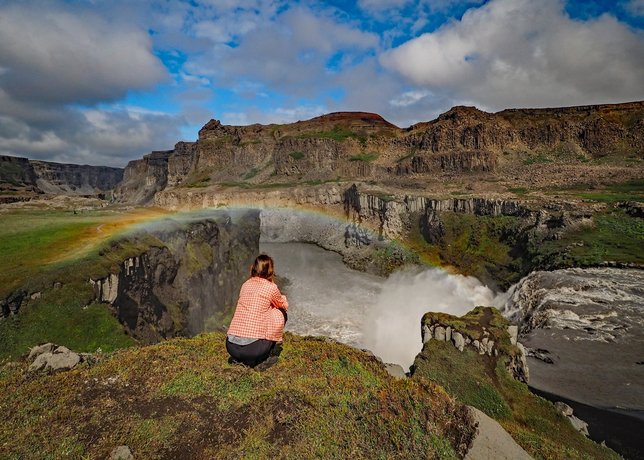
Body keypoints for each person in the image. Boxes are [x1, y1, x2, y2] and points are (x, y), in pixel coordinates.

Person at [226, 254, 288, 367]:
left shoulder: (245, 285)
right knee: (280, 312)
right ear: (270, 271)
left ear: (252, 268)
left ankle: (240, 359)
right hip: (253, 350)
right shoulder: (271, 287)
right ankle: (264, 357)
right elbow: (283, 305)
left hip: (231, 346)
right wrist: (274, 286)